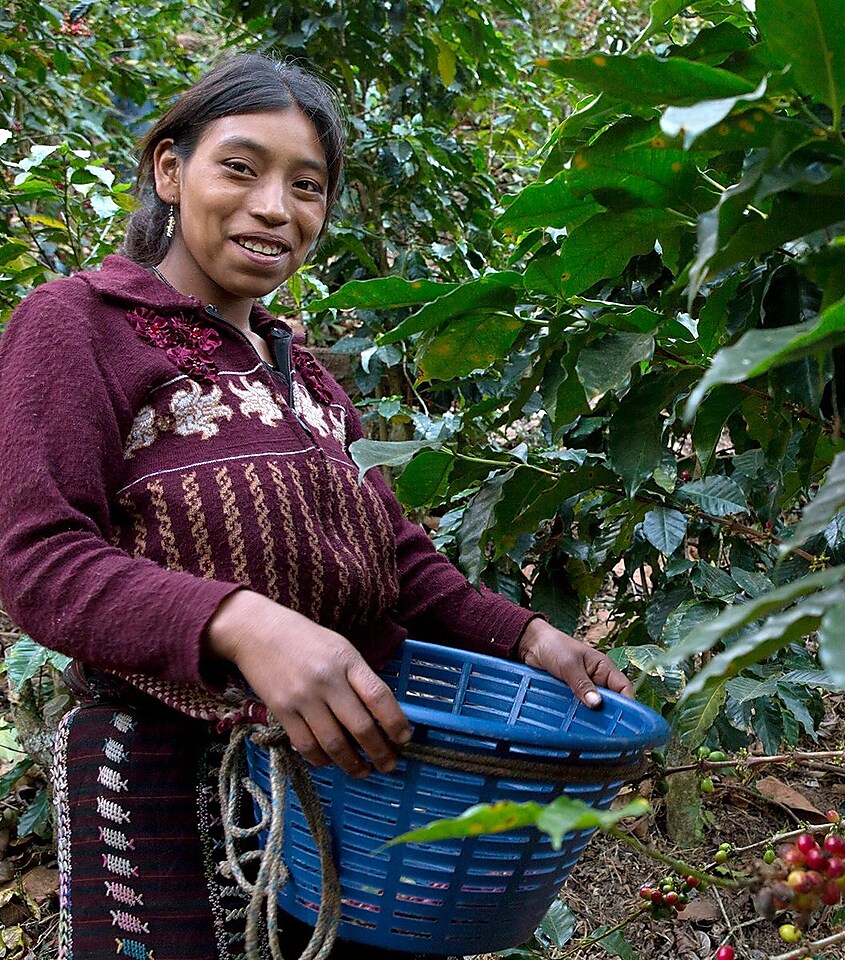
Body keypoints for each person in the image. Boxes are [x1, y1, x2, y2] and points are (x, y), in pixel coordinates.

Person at [0, 54, 632, 960]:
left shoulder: (312, 381)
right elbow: (39, 558)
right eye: (241, 168)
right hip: (165, 783)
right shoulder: (79, 324)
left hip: (351, 794)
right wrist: (242, 624)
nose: (276, 208)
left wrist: (527, 636)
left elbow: (397, 558)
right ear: (170, 171)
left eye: (308, 187)